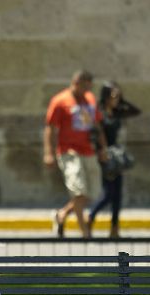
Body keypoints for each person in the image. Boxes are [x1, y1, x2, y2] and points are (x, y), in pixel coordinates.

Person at [44, 70, 109, 239]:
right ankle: (85, 232)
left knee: (92, 192)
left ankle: (62, 214)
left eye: (89, 87)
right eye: (85, 87)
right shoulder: (60, 101)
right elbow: (50, 128)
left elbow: (97, 126)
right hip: (69, 152)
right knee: (79, 192)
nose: (87, 90)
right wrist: (49, 153)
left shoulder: (90, 99)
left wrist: (103, 148)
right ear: (76, 83)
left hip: (89, 151)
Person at [86, 81, 141, 239]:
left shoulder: (116, 112)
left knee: (118, 194)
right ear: (106, 96)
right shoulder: (100, 113)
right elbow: (95, 133)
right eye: (113, 96)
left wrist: (121, 99)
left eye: (118, 96)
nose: (116, 99)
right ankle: (90, 217)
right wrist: (100, 151)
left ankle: (114, 228)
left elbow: (135, 111)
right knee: (108, 193)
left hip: (116, 156)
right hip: (104, 154)